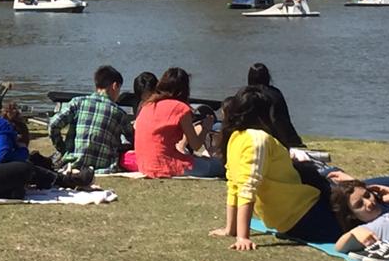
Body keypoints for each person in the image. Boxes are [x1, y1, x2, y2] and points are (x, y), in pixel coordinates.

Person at [211, 87, 342, 250]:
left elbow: (234, 185)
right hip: (304, 213)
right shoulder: (257, 139)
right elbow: (247, 187)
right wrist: (242, 237)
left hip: (293, 215)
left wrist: (231, 229)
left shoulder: (235, 137)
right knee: (371, 211)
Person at [134, 67, 224, 178]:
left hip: (145, 164)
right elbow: (196, 145)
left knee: (202, 161)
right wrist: (205, 128)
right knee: (219, 165)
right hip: (166, 164)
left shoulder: (147, 105)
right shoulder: (180, 108)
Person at [48, 65, 132, 172]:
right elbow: (133, 139)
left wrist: (62, 149)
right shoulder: (119, 113)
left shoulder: (77, 103)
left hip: (73, 163)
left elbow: (53, 124)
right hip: (104, 167)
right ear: (115, 86)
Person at [244, 63, 304, 148]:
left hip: (247, 138)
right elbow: (283, 120)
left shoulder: (244, 94)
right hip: (275, 138)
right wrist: (293, 139)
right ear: (267, 77)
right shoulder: (275, 94)